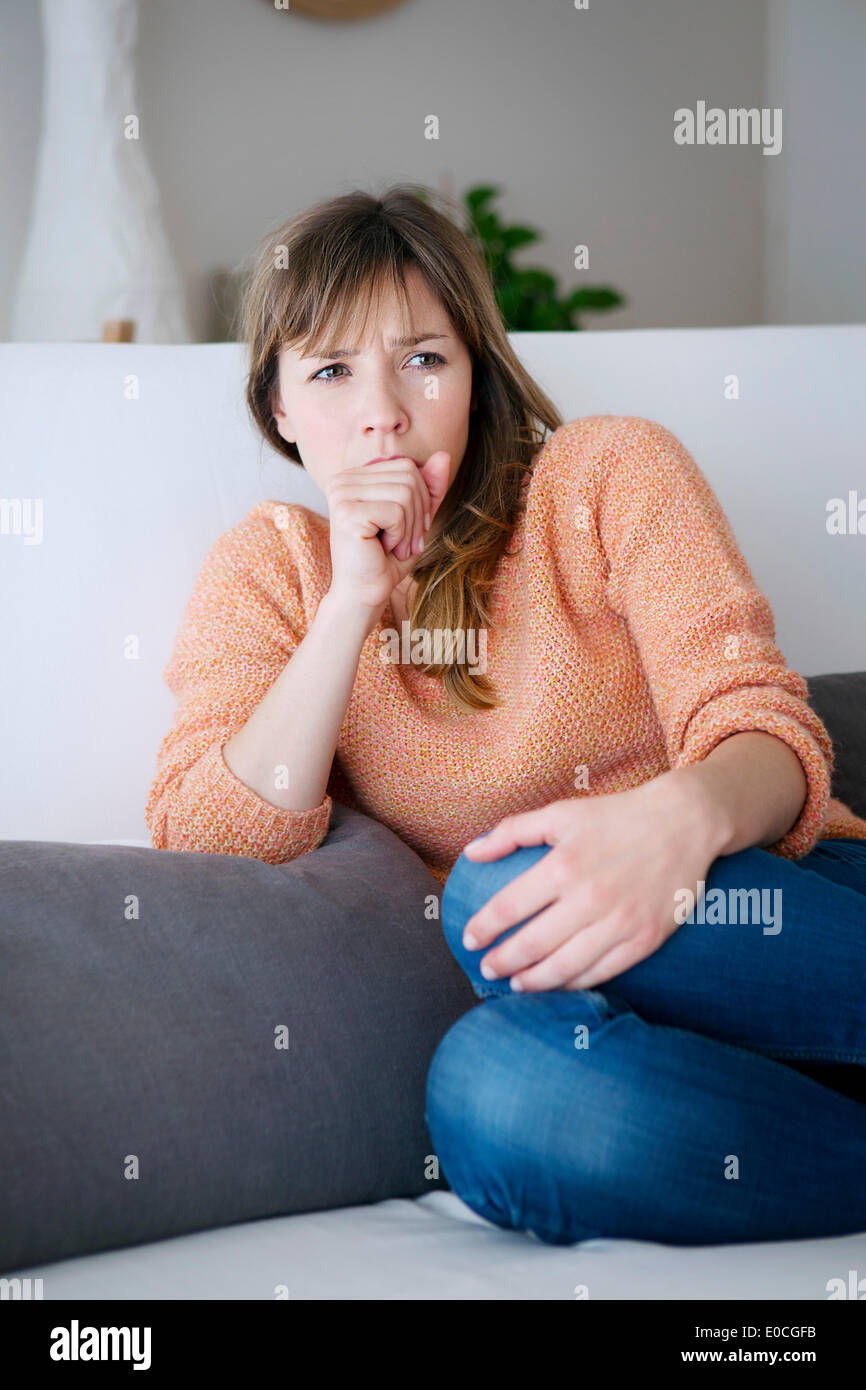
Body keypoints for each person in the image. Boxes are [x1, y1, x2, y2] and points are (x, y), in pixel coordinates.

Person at [146, 184, 866, 1246]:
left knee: (500, 877)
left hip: (763, 925)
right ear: (280, 409)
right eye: (332, 371)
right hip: (625, 1029)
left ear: (474, 373)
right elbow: (210, 835)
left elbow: (766, 728)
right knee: (491, 1090)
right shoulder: (271, 572)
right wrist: (349, 604)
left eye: (422, 358)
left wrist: (672, 825)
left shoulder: (604, 473)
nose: (382, 410)